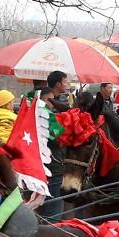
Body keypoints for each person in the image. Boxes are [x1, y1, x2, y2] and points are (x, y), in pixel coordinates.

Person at [40, 70, 73, 218]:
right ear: (58, 84)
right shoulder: (44, 112)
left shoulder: (64, 101)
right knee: (52, 212)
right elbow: (57, 135)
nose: (67, 85)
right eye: (65, 82)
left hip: (55, 164)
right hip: (52, 165)